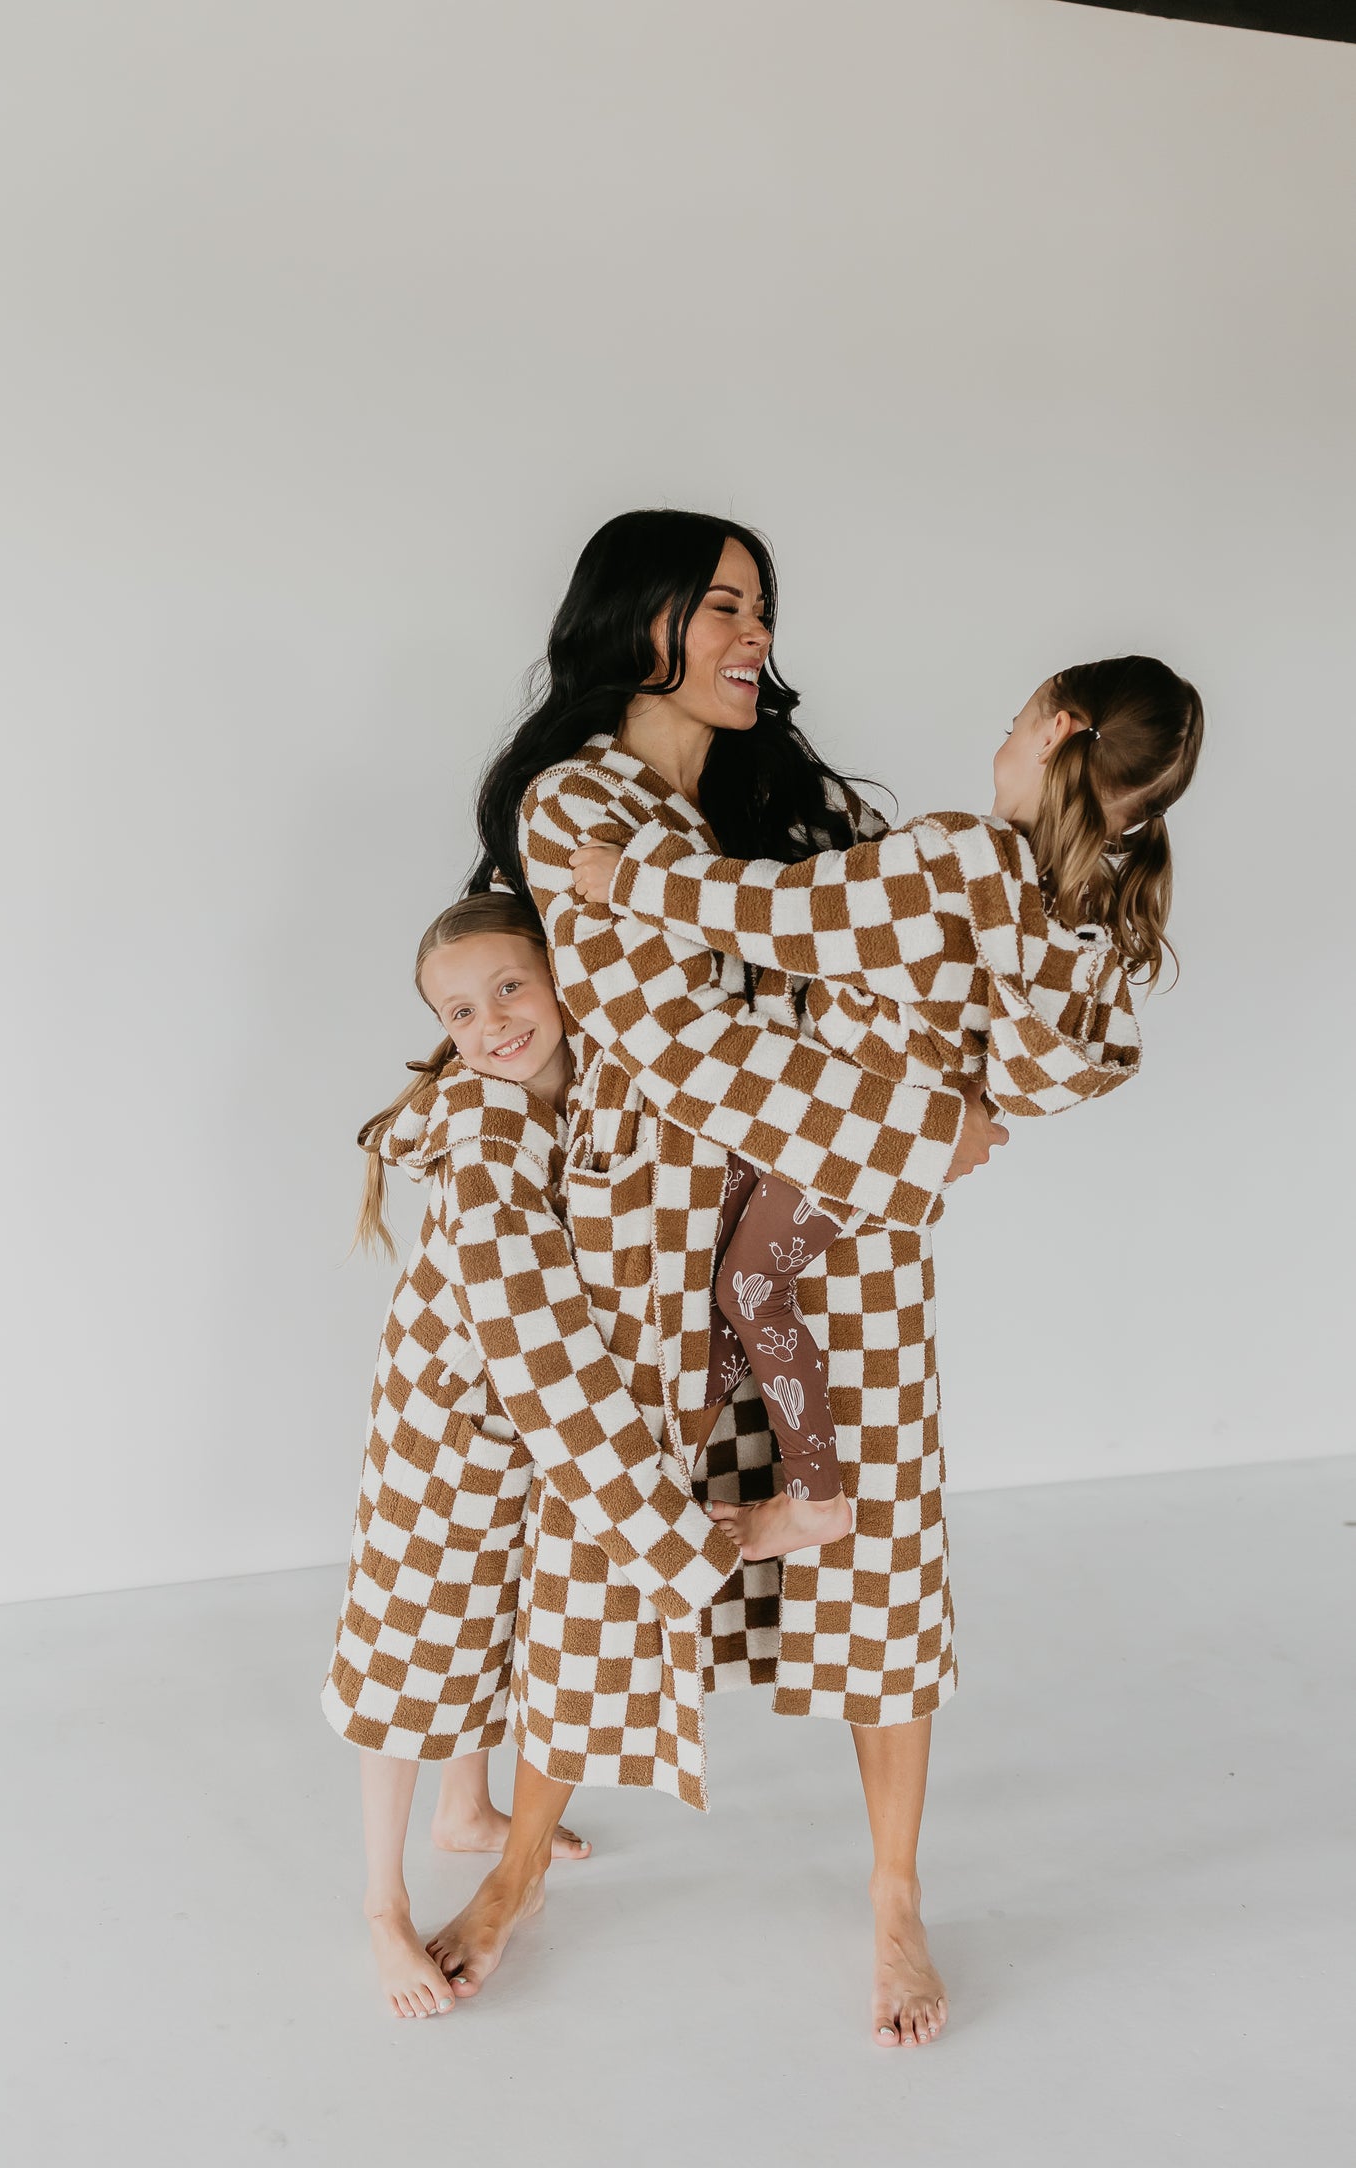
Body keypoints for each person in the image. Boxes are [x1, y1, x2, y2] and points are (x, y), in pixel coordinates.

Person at [427, 510, 1006, 2045]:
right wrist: (916, 1127)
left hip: (827, 1214)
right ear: (645, 620)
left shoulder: (773, 814)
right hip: (659, 1210)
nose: (759, 638)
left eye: (766, 611)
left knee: (879, 1534)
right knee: (613, 1535)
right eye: (729, 607)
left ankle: (894, 1896)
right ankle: (522, 1866)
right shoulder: (572, 806)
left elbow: (901, 957)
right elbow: (676, 1048)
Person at [568, 653, 1203, 1559]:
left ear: (1056, 730)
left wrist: (631, 879)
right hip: (877, 1140)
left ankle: (812, 1498)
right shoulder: (1071, 904)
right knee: (734, 1289)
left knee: (745, 1287)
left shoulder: (960, 858)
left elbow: (792, 913)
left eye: (1014, 721)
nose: (1006, 737)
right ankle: (679, 1467)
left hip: (846, 1126)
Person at [321, 891, 737, 2019]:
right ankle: (378, 1899)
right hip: (447, 1421)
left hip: (514, 1420)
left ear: (560, 974)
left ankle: (472, 1811)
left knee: (498, 1614)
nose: (494, 1020)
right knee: (411, 1645)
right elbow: (537, 1350)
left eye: (509, 985)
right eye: (461, 1011)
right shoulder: (484, 1138)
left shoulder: (599, 1071)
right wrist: (682, 1540)